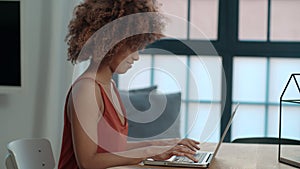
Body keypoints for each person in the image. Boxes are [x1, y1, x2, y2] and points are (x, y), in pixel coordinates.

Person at [58, 0, 200, 169]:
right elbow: (88, 162)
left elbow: (113, 149)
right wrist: (149, 153)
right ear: (110, 43)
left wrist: (163, 144)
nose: (136, 57)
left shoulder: (108, 85)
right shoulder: (86, 90)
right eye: (132, 47)